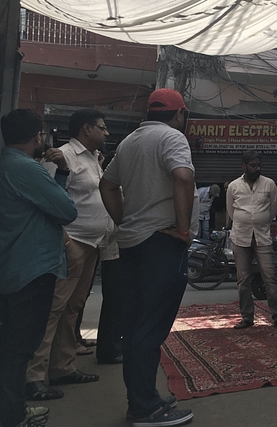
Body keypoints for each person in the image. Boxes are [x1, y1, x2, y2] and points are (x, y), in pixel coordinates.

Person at [100, 88, 196, 426]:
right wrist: (183, 230)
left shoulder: (128, 143)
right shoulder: (172, 137)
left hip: (132, 244)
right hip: (161, 241)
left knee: (135, 325)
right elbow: (183, 176)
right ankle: (146, 408)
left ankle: (140, 400)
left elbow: (106, 185)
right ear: (179, 114)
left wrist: (124, 220)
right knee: (150, 328)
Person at [0, 109, 77, 427]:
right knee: (19, 346)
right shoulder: (25, 168)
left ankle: (11, 407)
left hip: (16, 265)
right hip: (30, 268)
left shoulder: (7, 164)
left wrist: (58, 173)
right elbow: (66, 210)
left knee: (15, 343)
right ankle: (12, 414)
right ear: (37, 136)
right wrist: (61, 171)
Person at [26, 109, 109, 400]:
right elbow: (48, 202)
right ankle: (33, 376)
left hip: (91, 244)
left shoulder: (94, 159)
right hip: (71, 243)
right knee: (53, 309)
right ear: (86, 129)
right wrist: (65, 241)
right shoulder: (61, 156)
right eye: (101, 127)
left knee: (73, 308)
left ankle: (62, 367)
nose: (106, 133)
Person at [226, 151, 277, 329]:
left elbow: (273, 209)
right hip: (240, 236)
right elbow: (231, 211)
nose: (257, 168)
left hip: (262, 236)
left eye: (259, 165)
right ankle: (247, 317)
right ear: (244, 166)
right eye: (253, 165)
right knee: (242, 279)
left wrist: (260, 222)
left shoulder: (269, 184)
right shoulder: (233, 186)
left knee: (270, 277)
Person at [96, 151, 123, 365]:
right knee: (114, 302)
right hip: (114, 250)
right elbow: (112, 221)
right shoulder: (110, 187)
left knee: (119, 302)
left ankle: (114, 345)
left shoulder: (117, 185)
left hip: (119, 249)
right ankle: (109, 350)